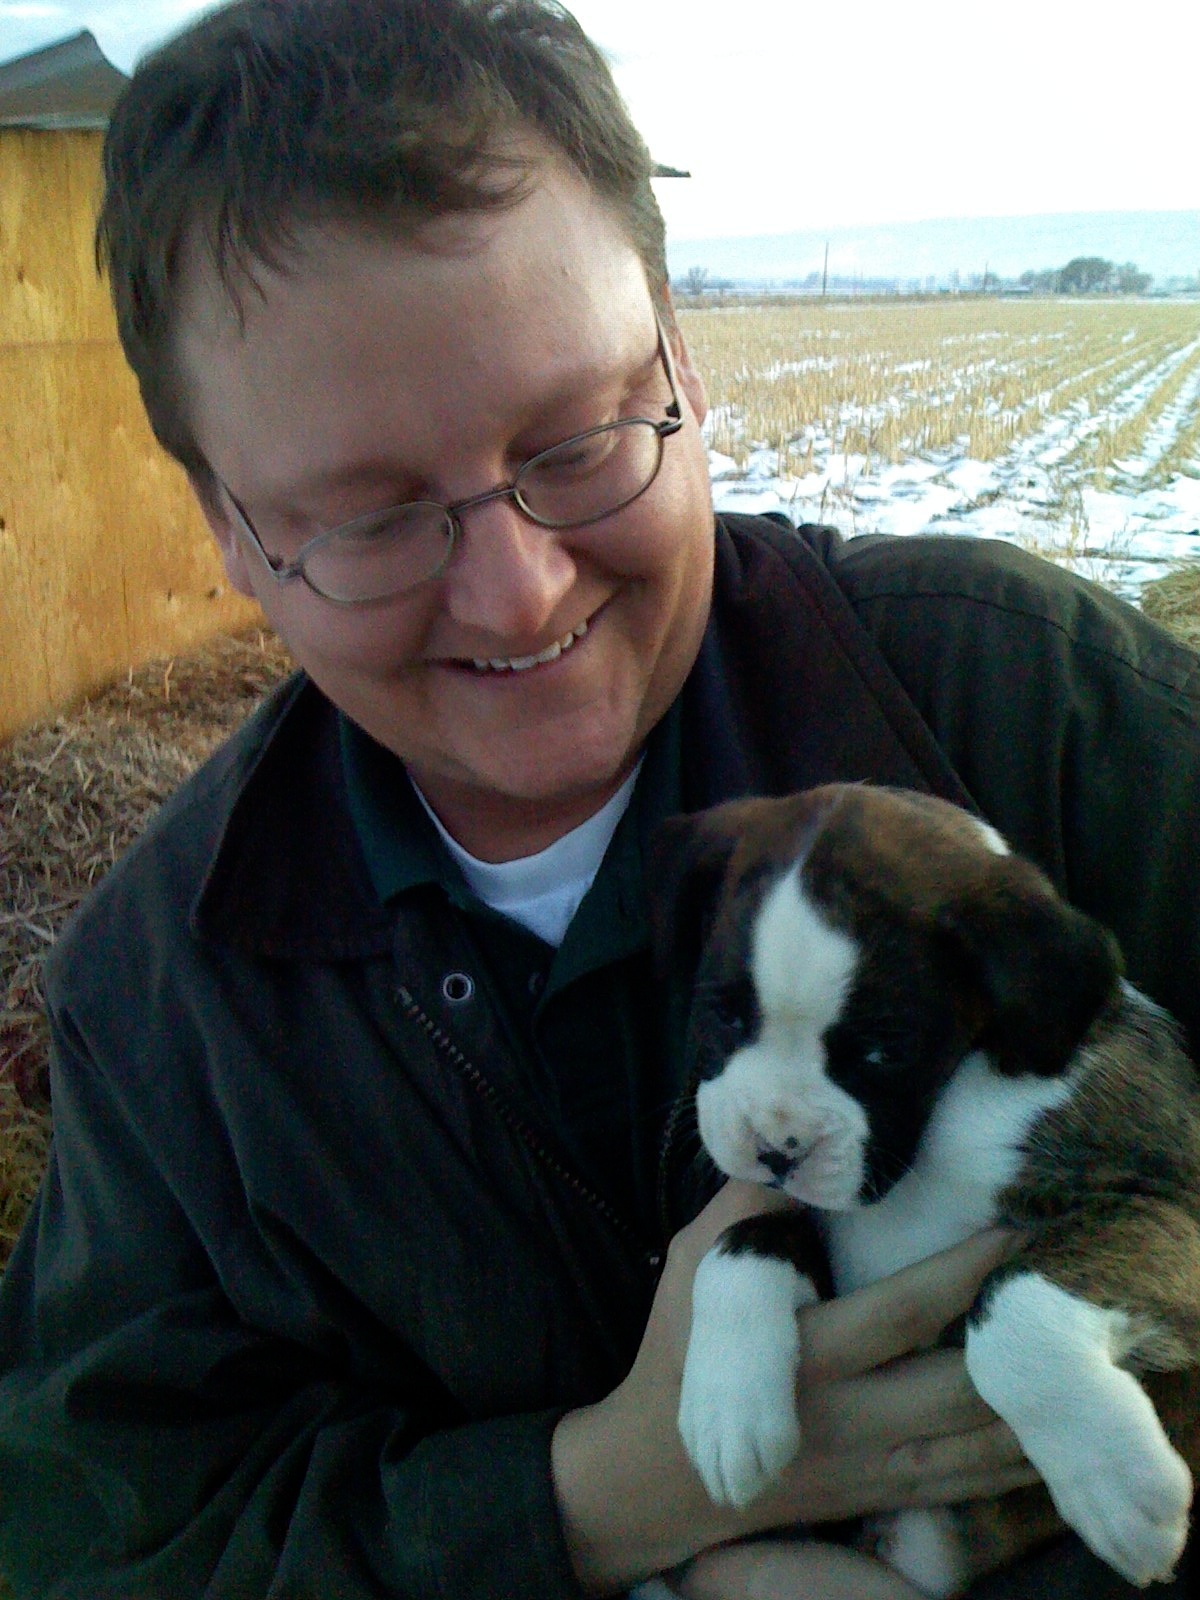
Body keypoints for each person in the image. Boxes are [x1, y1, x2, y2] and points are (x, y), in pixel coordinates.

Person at [0, 1, 1197, 1595]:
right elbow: (114, 1531)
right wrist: (593, 1507)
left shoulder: (1031, 704)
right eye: (366, 518)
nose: (514, 596)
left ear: (680, 366)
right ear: (227, 529)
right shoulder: (159, 1007)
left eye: (576, 440)